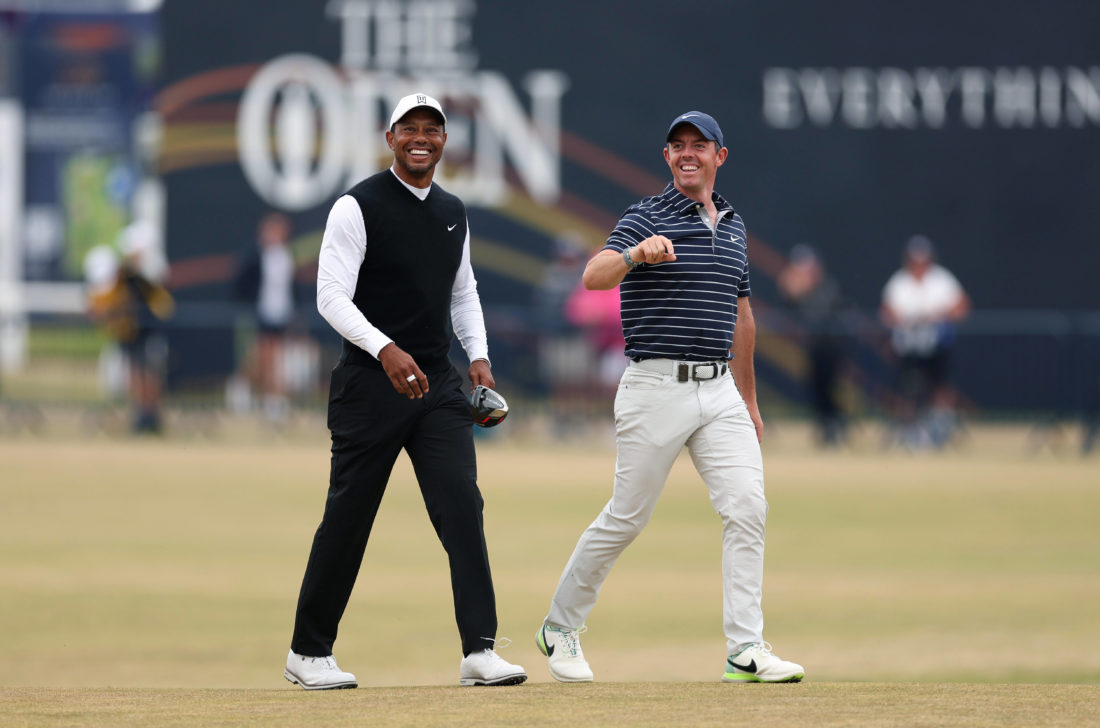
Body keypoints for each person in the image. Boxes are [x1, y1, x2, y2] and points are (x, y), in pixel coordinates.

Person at [535, 111, 804, 684]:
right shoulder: (645, 215)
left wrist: (750, 401)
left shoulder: (732, 224)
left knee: (748, 508)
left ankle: (745, 648)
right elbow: (594, 275)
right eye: (677, 146)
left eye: (698, 145)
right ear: (667, 158)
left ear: (719, 157)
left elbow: (742, 314)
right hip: (655, 387)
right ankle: (559, 627)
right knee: (627, 517)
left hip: (720, 390)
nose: (687, 153)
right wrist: (636, 255)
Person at [284, 93, 526, 690]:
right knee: (349, 515)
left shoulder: (452, 210)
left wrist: (479, 358)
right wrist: (384, 348)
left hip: (438, 386)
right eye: (410, 129)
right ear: (390, 137)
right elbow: (331, 297)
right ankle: (308, 652)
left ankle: (479, 651)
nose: (422, 138)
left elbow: (462, 292)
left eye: (433, 130)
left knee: (463, 508)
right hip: (369, 386)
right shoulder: (356, 205)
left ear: (445, 141)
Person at [880, 235, 971, 449]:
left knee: (939, 387)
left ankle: (939, 430)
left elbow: (962, 307)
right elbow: (886, 312)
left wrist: (938, 316)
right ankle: (909, 432)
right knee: (908, 389)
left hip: (937, 345)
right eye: (915, 261)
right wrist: (906, 320)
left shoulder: (942, 280)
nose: (919, 265)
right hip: (909, 347)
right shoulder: (899, 281)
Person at [84, 222, 174, 434]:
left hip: (150, 330)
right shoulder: (125, 276)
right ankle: (140, 414)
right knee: (134, 371)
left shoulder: (146, 275)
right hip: (131, 333)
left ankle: (151, 415)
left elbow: (162, 304)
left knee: (150, 372)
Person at [777, 244, 846, 446]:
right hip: (814, 349)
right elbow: (790, 305)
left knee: (830, 389)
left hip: (831, 348)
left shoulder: (827, 287)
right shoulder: (803, 292)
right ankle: (825, 428)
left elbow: (824, 313)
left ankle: (836, 427)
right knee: (816, 389)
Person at [231, 212, 297, 422]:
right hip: (260, 313)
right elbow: (241, 283)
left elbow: (290, 288)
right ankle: (247, 389)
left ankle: (271, 400)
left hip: (281, 314)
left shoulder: (286, 256)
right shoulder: (255, 254)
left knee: (274, 357)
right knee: (262, 355)